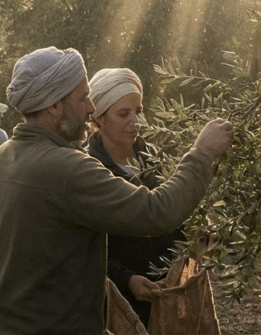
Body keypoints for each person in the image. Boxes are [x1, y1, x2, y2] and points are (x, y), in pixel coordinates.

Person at [0, 46, 234, 335]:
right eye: (83, 99)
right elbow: (156, 212)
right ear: (54, 106)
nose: (91, 108)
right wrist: (201, 154)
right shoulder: (70, 168)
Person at [84, 67, 184, 326]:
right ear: (99, 118)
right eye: (123, 113)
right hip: (113, 305)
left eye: (138, 111)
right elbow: (83, 246)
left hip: (164, 293)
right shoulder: (88, 167)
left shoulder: (154, 158)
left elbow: (173, 212)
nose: (135, 121)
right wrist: (126, 278)